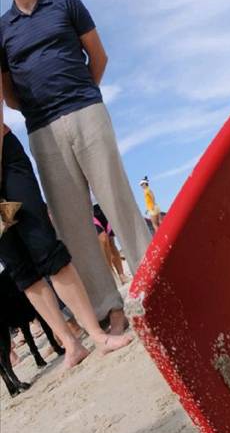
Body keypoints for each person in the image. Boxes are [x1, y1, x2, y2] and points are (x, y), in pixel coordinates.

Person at [0, 0, 152, 334]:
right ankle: (110, 308)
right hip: (43, 130)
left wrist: (83, 95)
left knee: (117, 199)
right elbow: (8, 92)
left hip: (86, 110)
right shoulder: (3, 30)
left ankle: (151, 288)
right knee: (72, 223)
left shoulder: (66, 2)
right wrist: (39, 110)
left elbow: (97, 57)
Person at [0, 87, 132, 368]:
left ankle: (97, 334)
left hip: (5, 159)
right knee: (20, 269)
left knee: (45, 247)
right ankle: (70, 343)